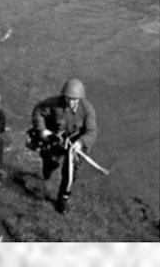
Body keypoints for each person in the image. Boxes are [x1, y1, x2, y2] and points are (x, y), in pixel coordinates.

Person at [28, 78, 98, 215]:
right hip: (56, 141)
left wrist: (81, 143)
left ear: (80, 98)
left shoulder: (87, 110)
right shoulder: (53, 103)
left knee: (70, 173)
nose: (71, 102)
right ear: (63, 96)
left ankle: (62, 199)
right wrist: (43, 131)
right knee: (51, 163)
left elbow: (92, 132)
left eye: (75, 100)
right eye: (68, 98)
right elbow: (38, 111)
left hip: (76, 146)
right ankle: (47, 172)